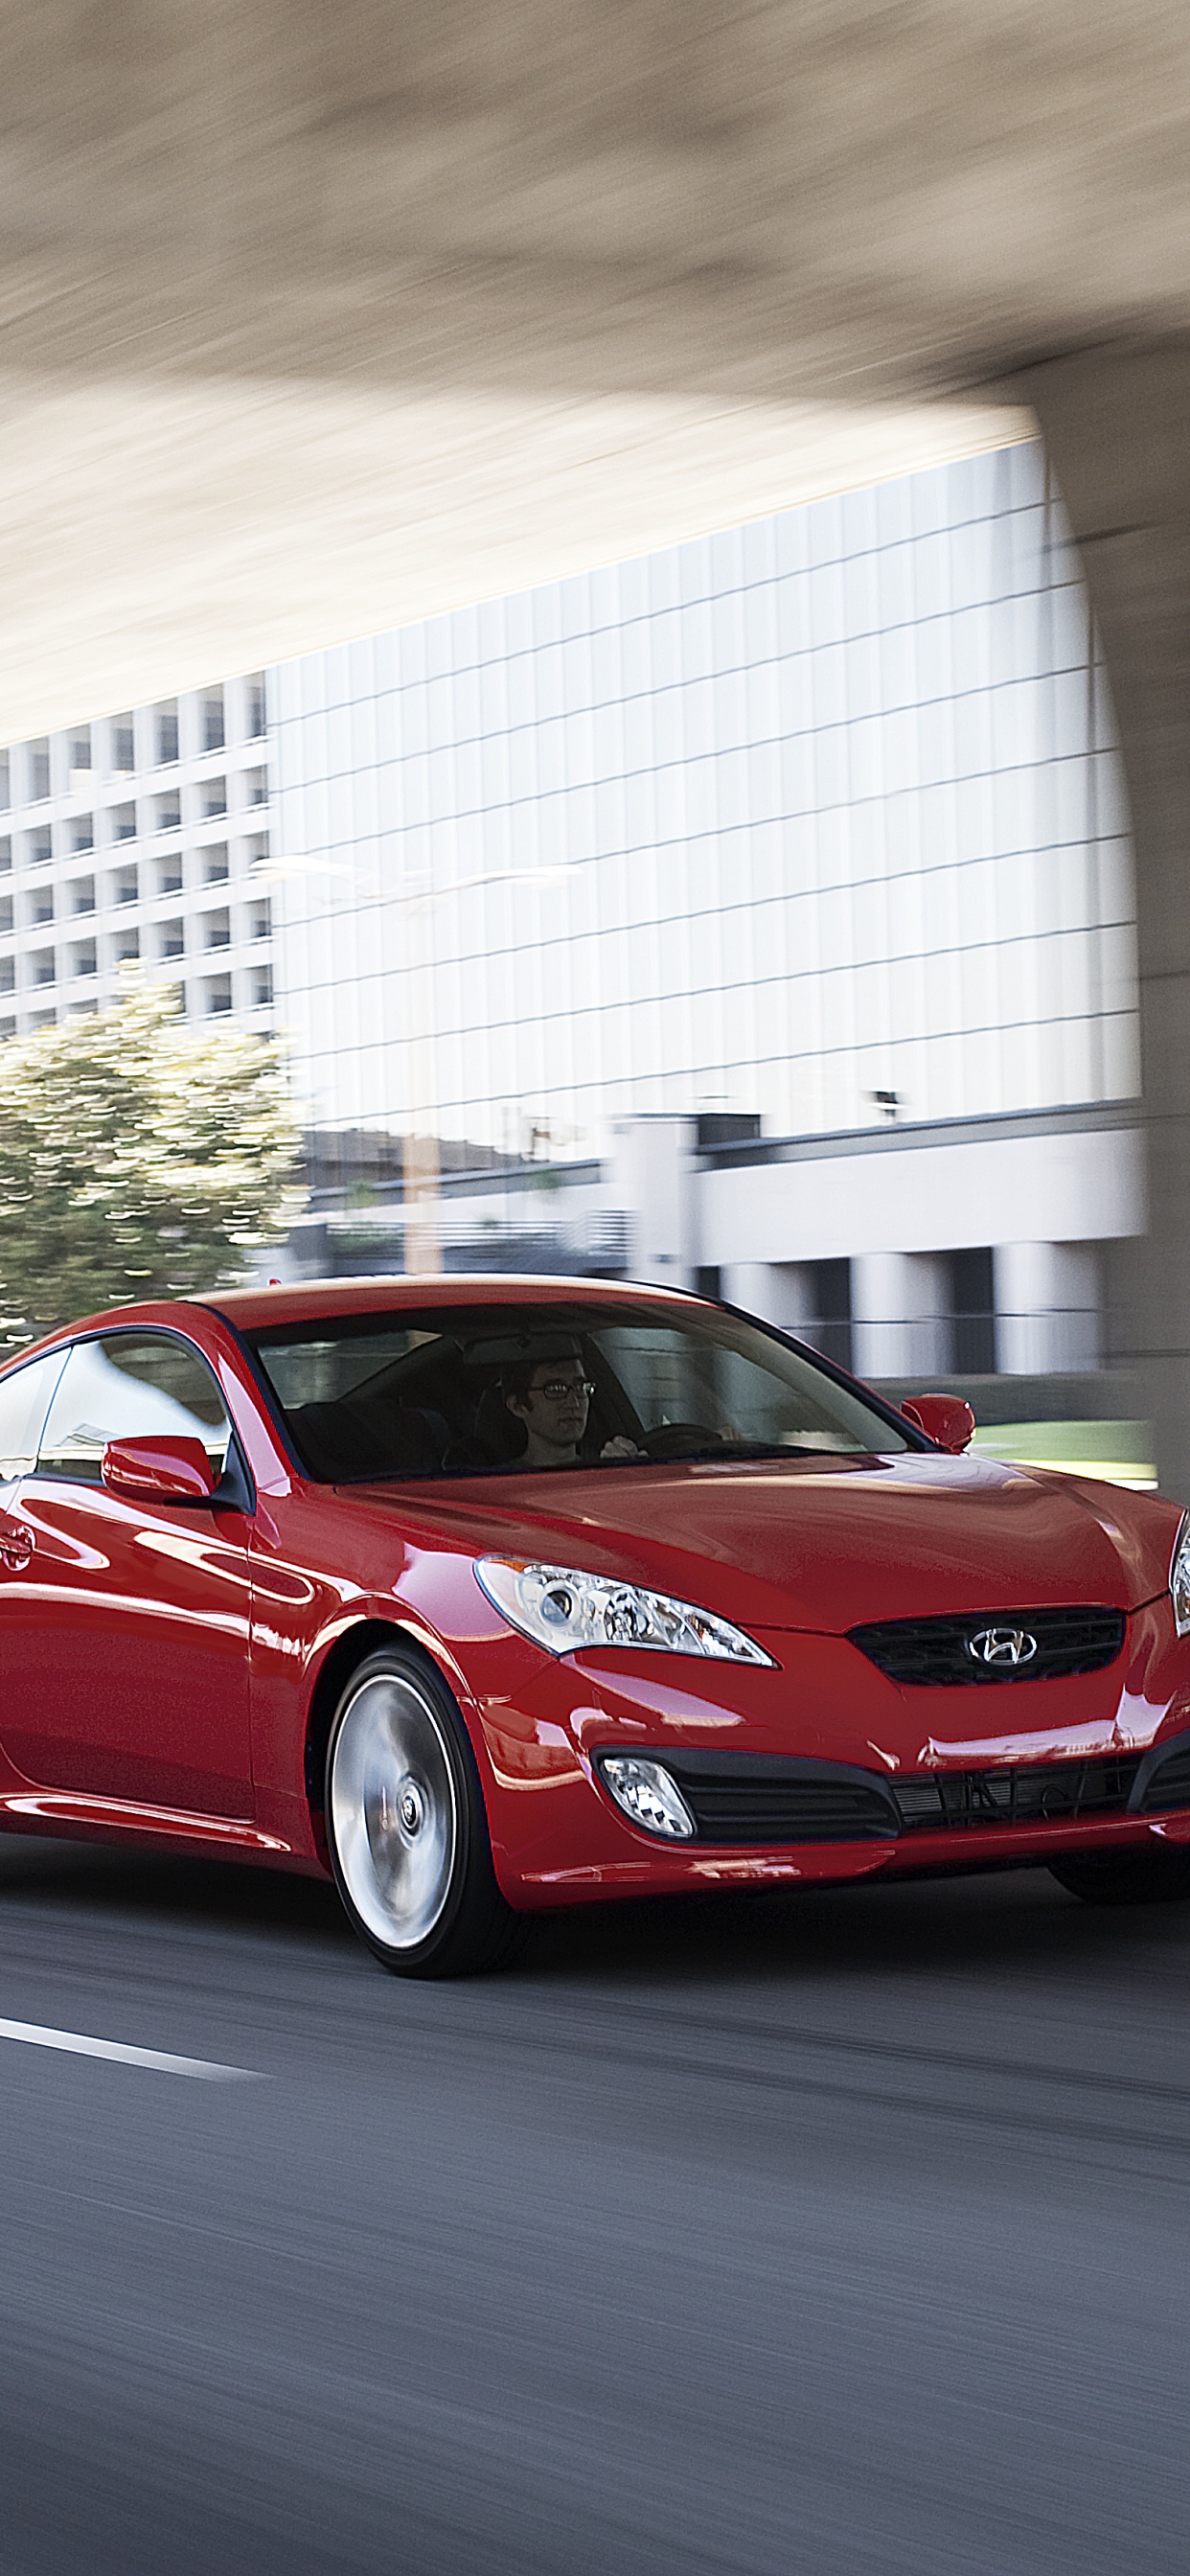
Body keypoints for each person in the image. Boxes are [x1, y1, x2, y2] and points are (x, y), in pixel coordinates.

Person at [501, 1338, 642, 1469]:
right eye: (555, 1389)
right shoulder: (497, 1483)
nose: (574, 1403)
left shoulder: (605, 1470)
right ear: (518, 1406)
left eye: (580, 1387)